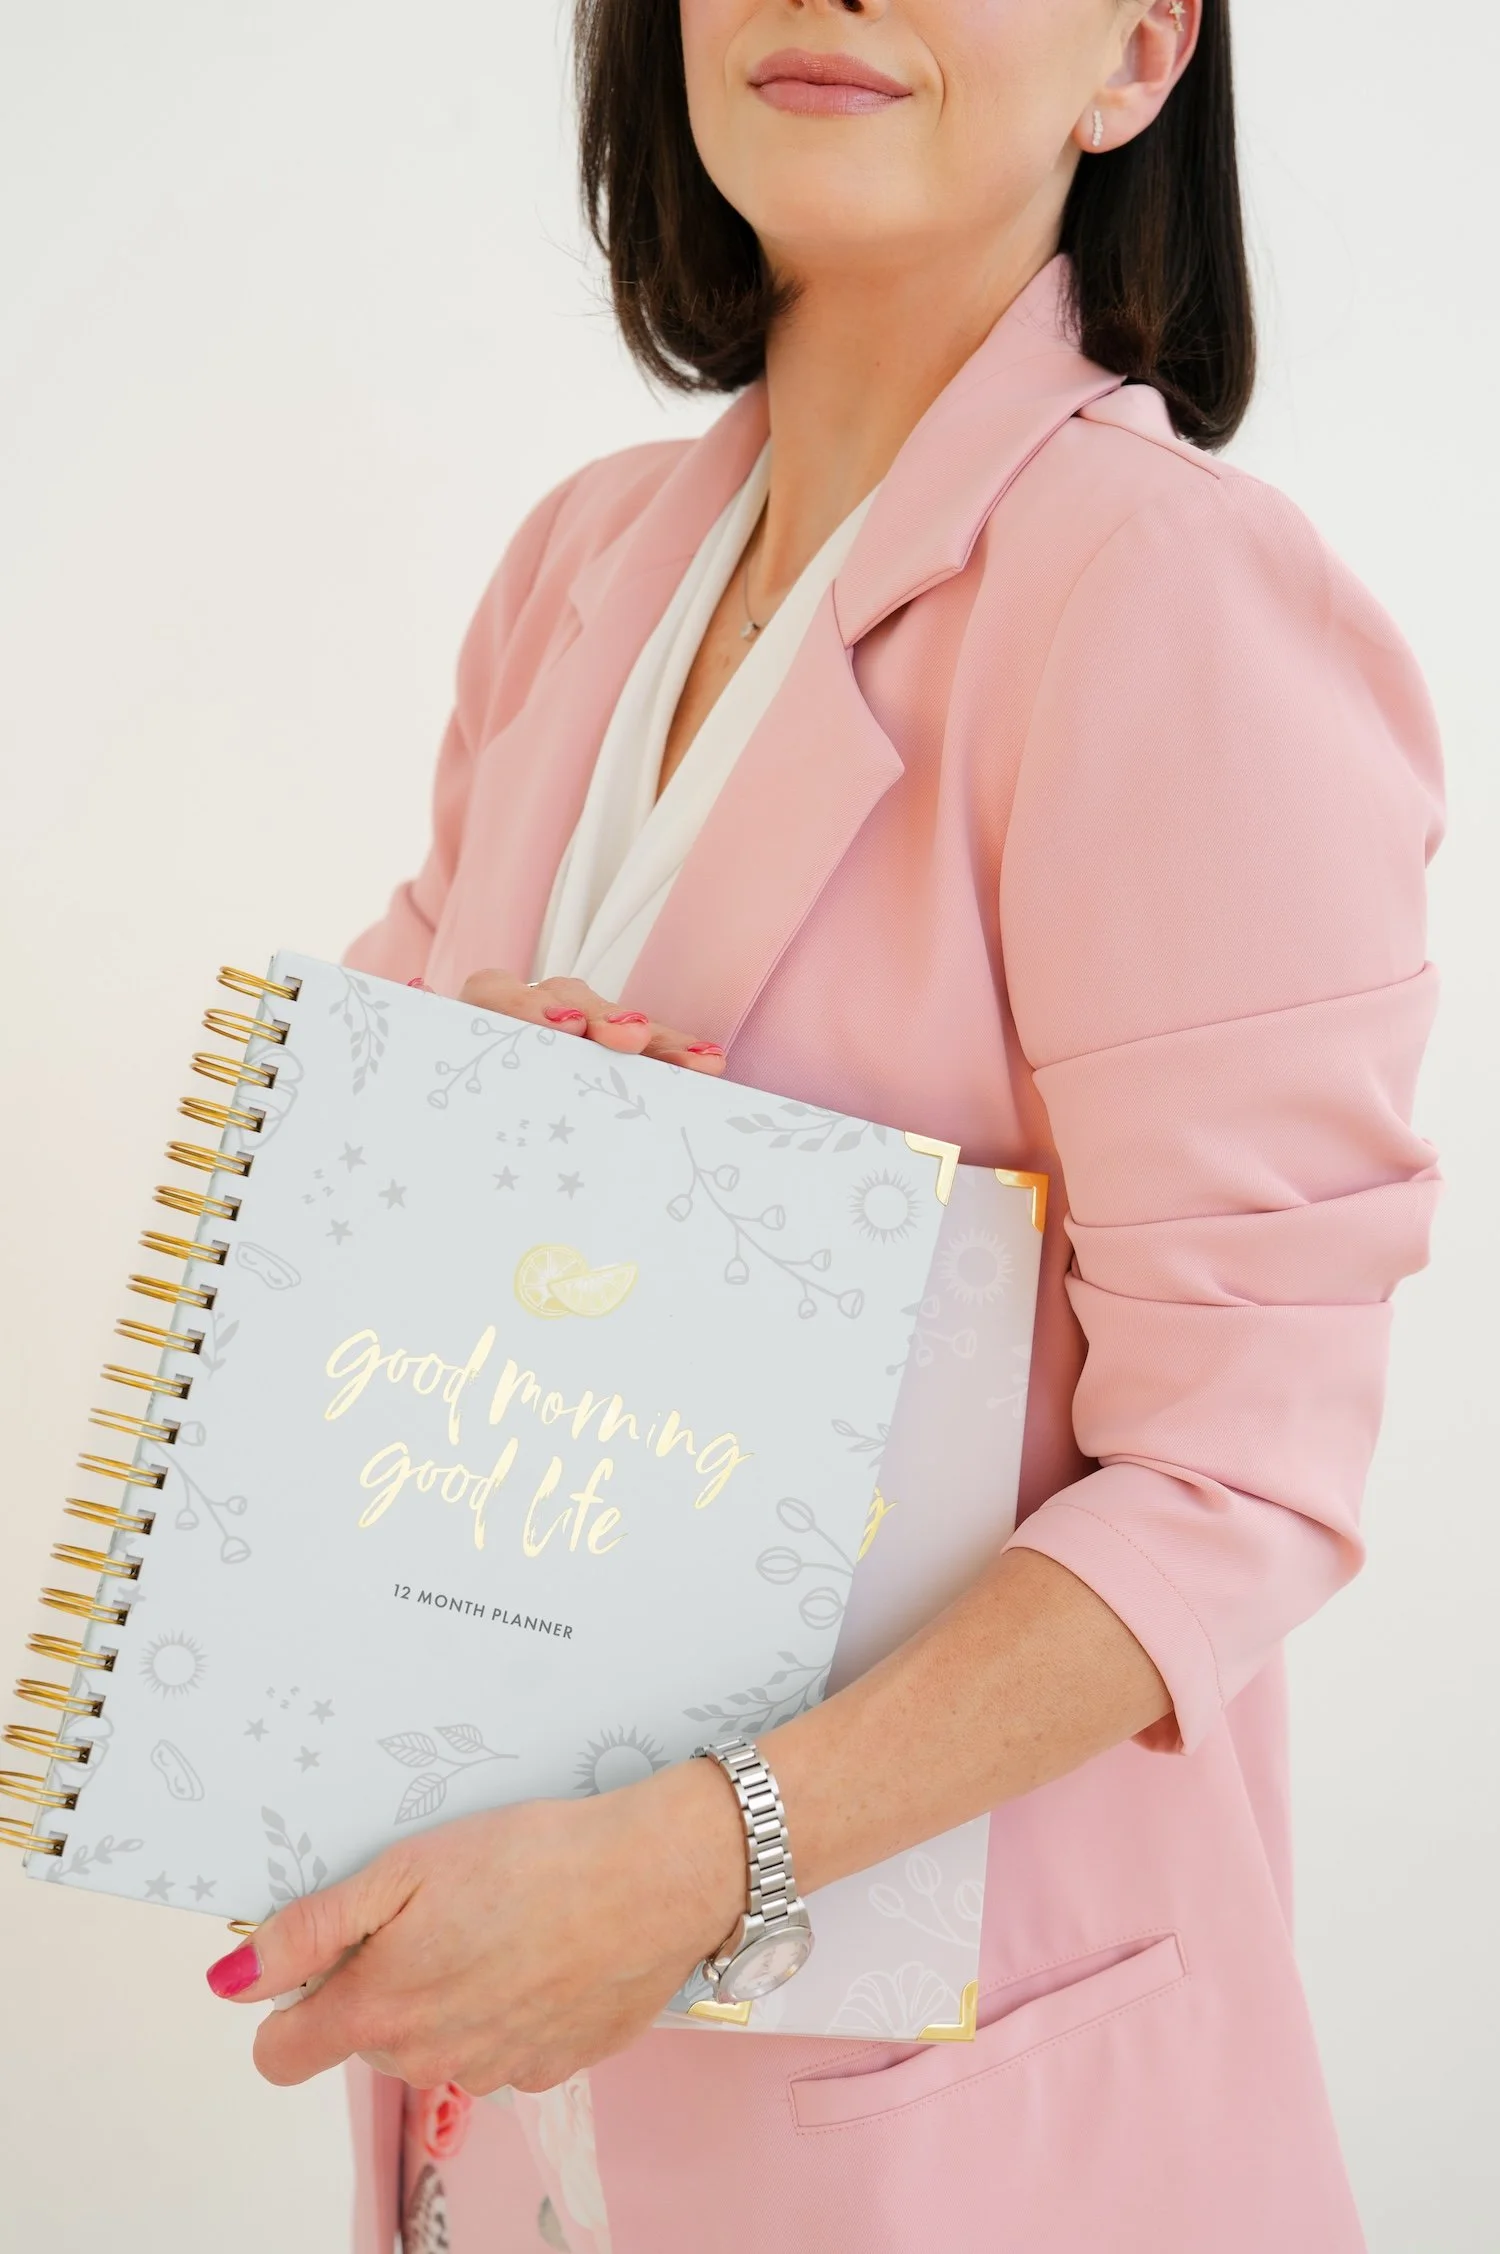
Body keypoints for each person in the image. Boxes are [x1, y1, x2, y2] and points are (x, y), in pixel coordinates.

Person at [202, 3, 1446, 2248]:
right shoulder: (580, 566)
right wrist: (461, 1115)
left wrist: (698, 1852)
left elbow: (1240, 1482)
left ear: (1139, 50)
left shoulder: (1160, 603)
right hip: (517, 2120)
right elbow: (327, 1232)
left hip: (949, 2146)